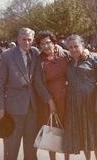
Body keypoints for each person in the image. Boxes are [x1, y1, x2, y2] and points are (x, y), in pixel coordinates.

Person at [64, 34, 97, 160]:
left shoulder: (92, 60)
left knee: (96, 133)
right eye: (70, 47)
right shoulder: (68, 62)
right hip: (74, 104)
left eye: (76, 46)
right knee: (84, 133)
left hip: (92, 104)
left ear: (83, 45)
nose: (73, 49)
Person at [0, 27, 40, 160]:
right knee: (11, 148)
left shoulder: (35, 53)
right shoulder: (7, 56)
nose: (26, 42)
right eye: (23, 39)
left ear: (33, 40)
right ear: (18, 39)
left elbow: (52, 51)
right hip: (13, 110)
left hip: (32, 109)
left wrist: (60, 48)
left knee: (31, 149)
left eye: (29, 40)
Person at [34, 30, 70, 160]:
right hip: (50, 101)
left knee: (67, 130)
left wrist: (86, 52)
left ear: (54, 43)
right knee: (52, 131)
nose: (46, 46)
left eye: (48, 42)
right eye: (42, 44)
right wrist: (50, 101)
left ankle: (67, 158)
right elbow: (38, 83)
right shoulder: (39, 60)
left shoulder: (64, 54)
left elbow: (78, 55)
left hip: (67, 99)